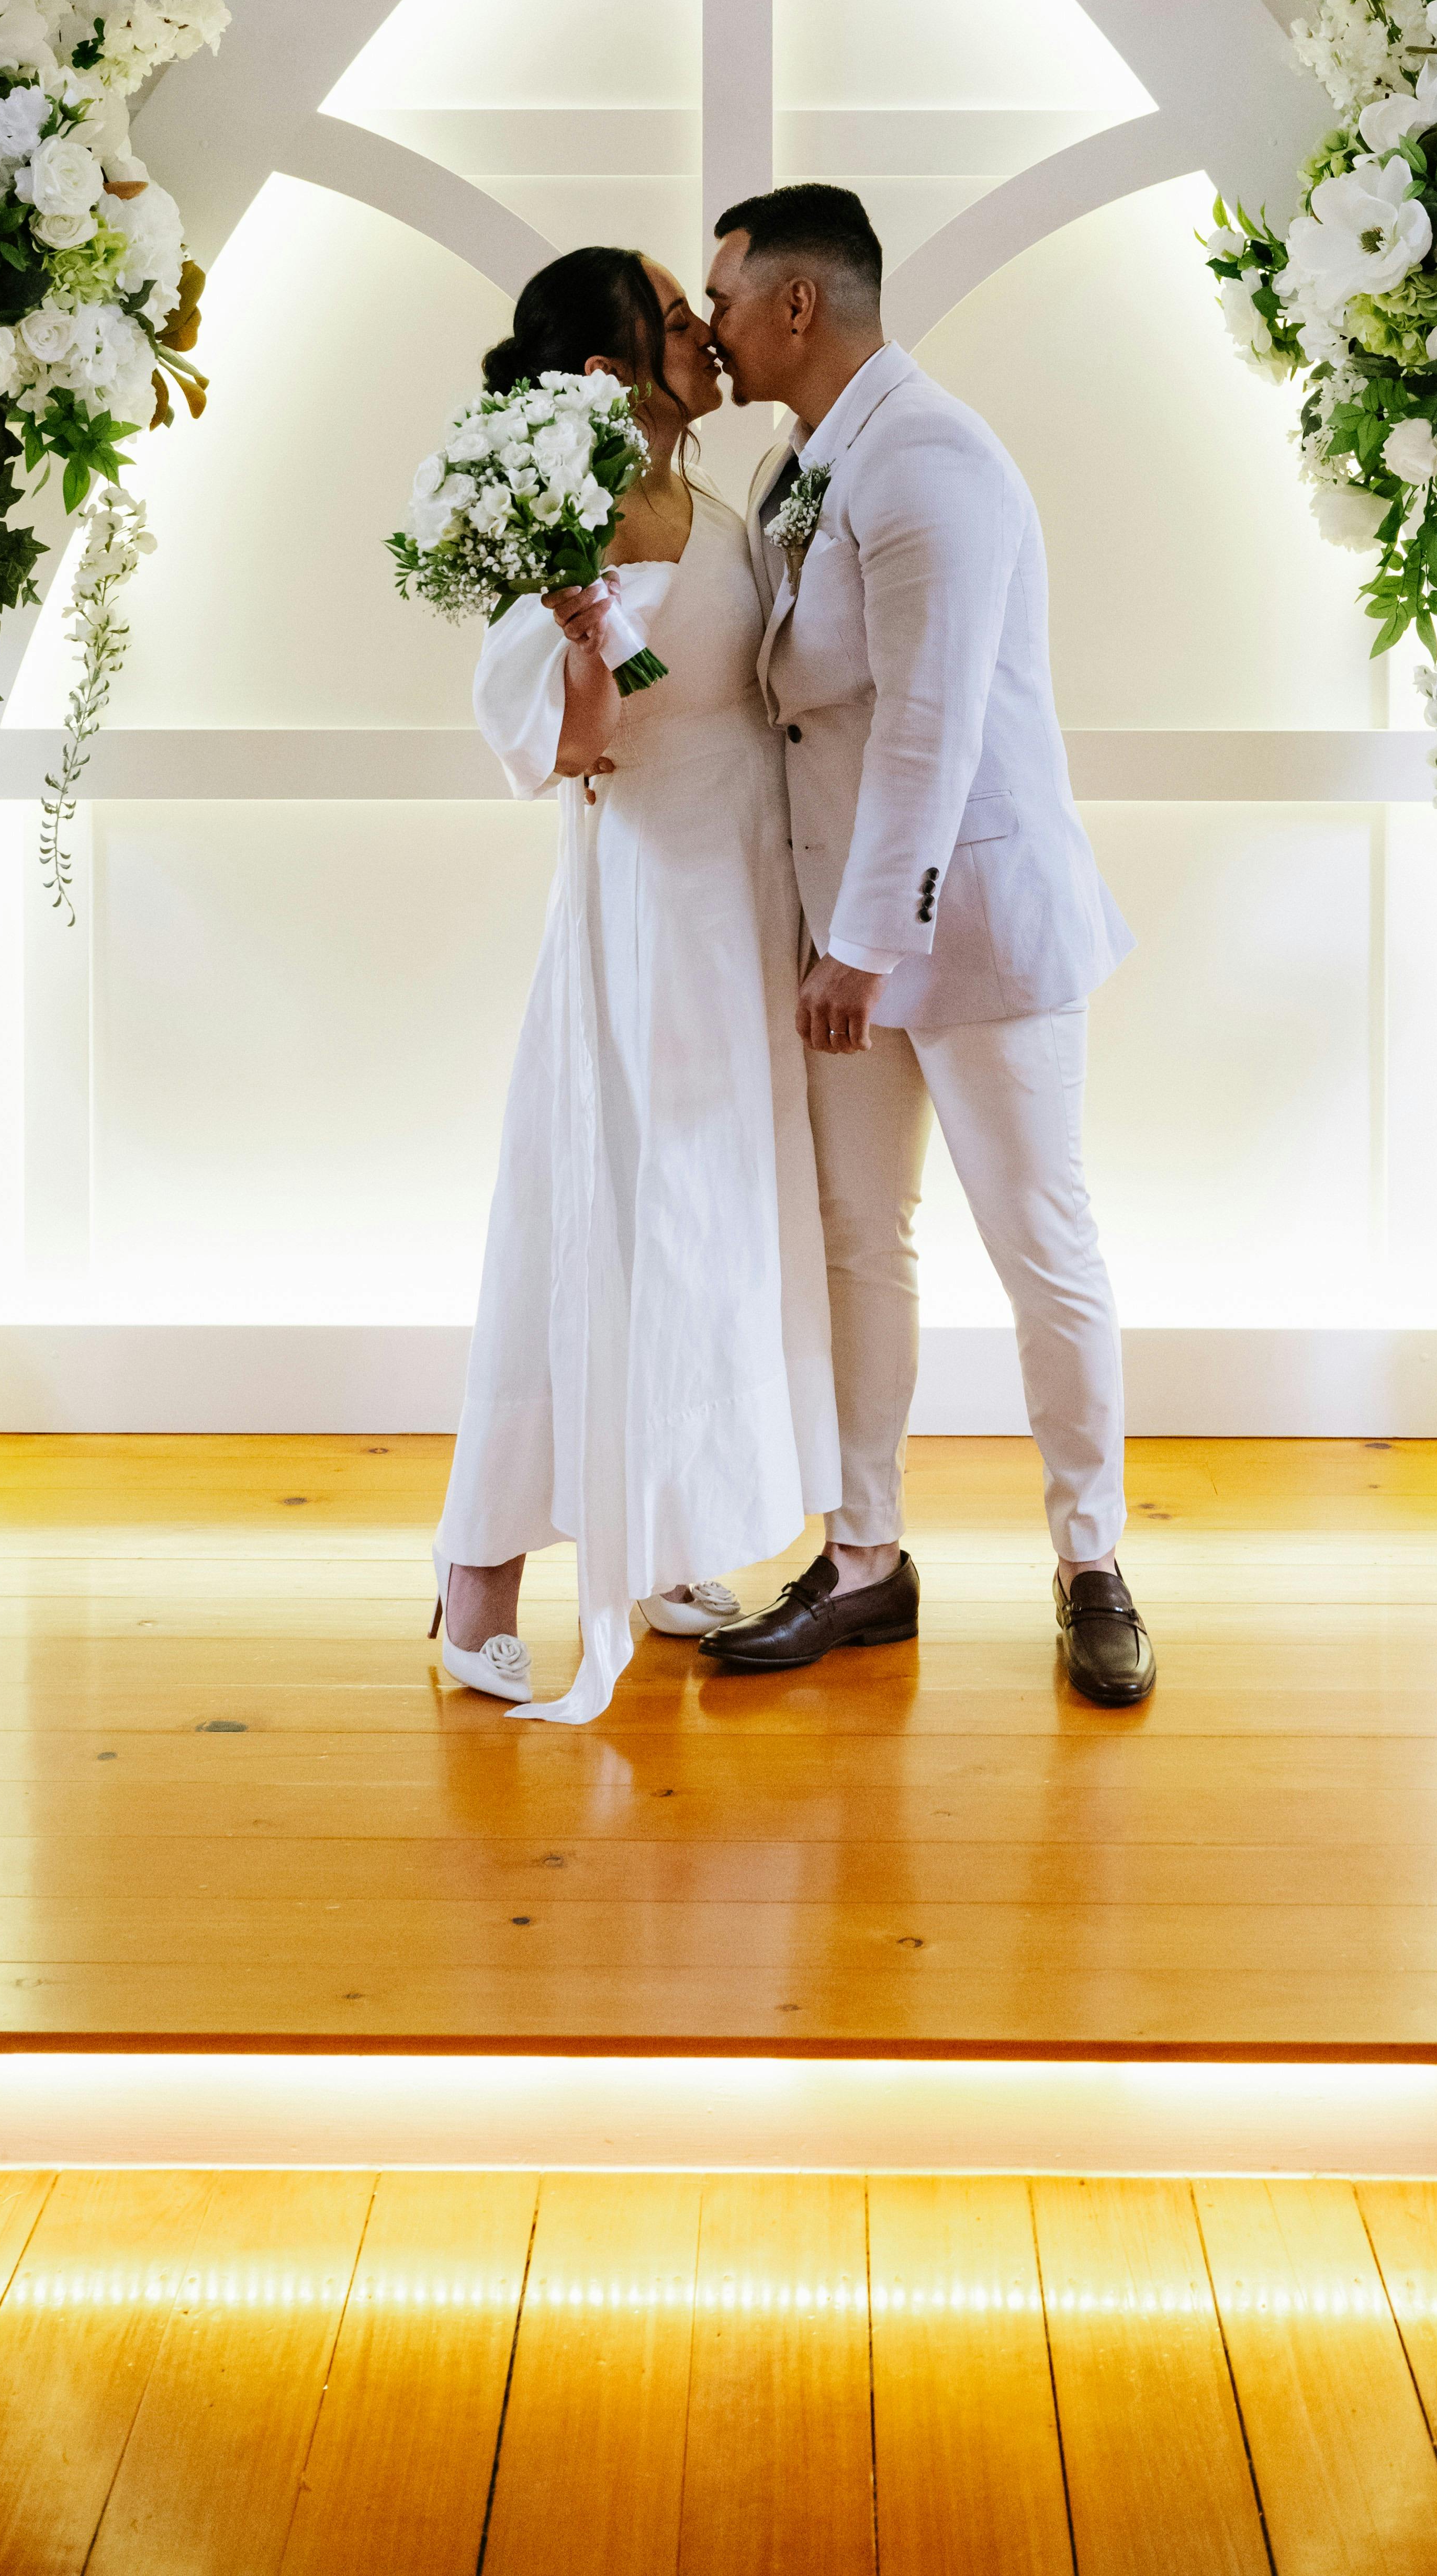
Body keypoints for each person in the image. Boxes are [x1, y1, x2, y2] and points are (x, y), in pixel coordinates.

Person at [699, 185, 1155, 1707]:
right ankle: (863, 1560)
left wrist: (861, 946)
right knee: (858, 1239)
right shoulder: (793, 462)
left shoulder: (933, 459)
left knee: (1042, 1246)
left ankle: (1093, 1562)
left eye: (725, 297)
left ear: (799, 304)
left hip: (975, 926)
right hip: (846, 927)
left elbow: (931, 730)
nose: (713, 325)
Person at [432, 245, 839, 1724]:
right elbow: (570, 748)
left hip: (744, 899)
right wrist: (584, 638)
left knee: (711, 1224)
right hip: (646, 913)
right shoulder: (568, 520)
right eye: (679, 321)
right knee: (594, 1212)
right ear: (612, 372)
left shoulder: (723, 506)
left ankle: (663, 1528)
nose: (708, 336)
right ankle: (478, 1575)